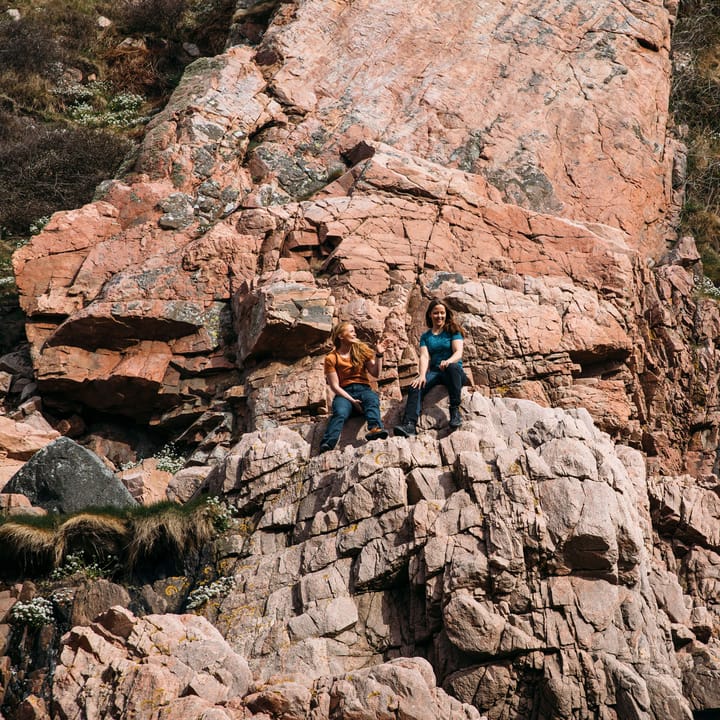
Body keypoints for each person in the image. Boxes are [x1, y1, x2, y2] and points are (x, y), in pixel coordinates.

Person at [394, 299, 467, 436]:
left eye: (442, 313)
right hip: (435, 371)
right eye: (436, 313)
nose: (439, 316)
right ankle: (409, 424)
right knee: (415, 386)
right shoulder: (426, 336)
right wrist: (422, 375)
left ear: (446, 314)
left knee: (452, 368)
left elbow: (458, 352)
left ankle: (455, 411)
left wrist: (448, 361)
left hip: (453, 371)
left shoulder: (453, 330)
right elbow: (424, 356)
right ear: (429, 315)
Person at [319, 321, 389, 452]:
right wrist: (352, 401)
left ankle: (375, 429)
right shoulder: (331, 358)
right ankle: (328, 443)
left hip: (363, 389)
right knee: (340, 412)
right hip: (344, 393)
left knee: (372, 400)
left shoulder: (362, 351)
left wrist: (379, 355)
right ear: (340, 336)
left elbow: (376, 373)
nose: (354, 333)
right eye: (351, 331)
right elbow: (334, 386)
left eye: (354, 331)